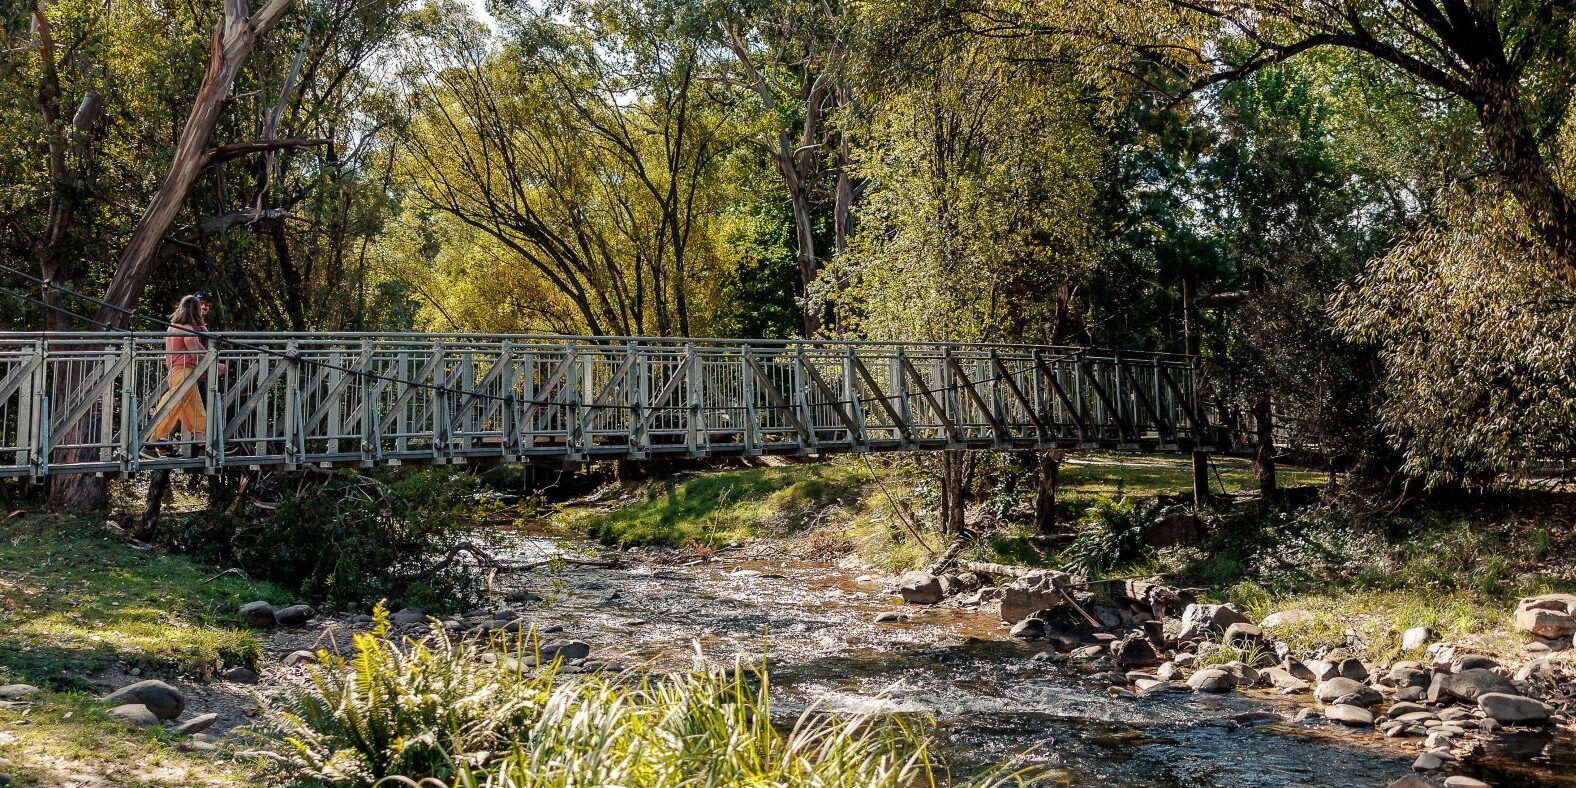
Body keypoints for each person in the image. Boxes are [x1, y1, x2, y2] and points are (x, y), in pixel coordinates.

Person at [142, 293, 225, 458]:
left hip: (175, 372)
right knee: (186, 407)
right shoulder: (187, 329)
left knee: (182, 407)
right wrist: (215, 363)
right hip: (185, 372)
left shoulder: (172, 327)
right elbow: (196, 352)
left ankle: (160, 442)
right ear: (194, 310)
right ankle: (158, 440)